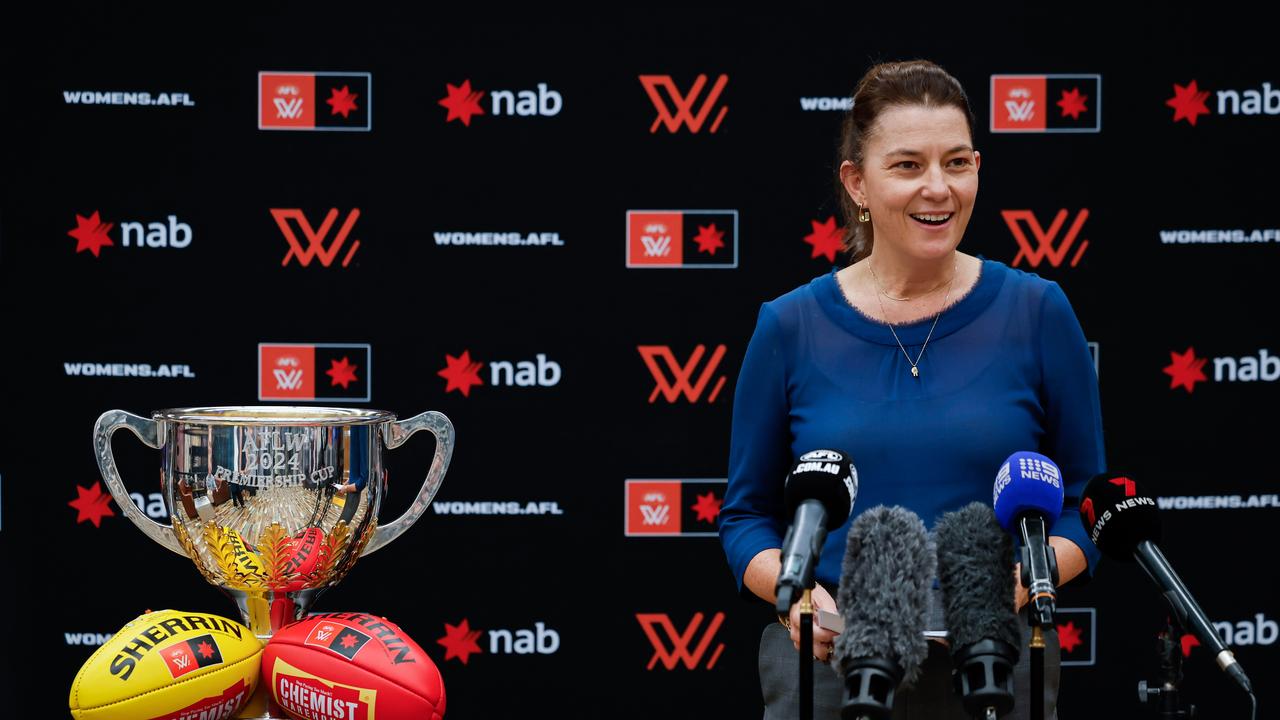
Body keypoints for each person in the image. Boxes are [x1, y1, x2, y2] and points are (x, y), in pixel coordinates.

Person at [718, 59, 1104, 719]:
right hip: (833, 668)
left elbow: (1085, 507)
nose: (939, 188)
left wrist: (1015, 585)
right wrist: (800, 597)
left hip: (994, 663)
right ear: (857, 182)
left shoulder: (1039, 311)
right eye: (907, 166)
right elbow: (746, 518)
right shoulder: (789, 324)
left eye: (957, 163)